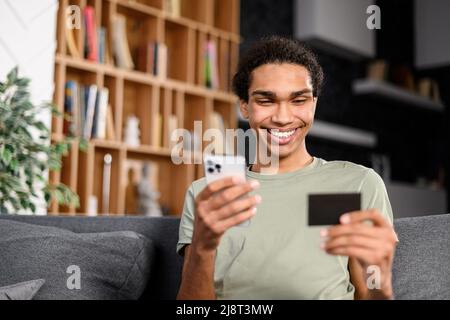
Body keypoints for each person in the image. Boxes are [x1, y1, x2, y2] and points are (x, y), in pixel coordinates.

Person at [176, 36, 397, 300]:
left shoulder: (358, 183)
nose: (282, 118)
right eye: (266, 100)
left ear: (314, 103)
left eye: (298, 100)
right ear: (245, 106)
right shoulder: (208, 194)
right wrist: (202, 248)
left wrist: (381, 285)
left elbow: (370, 293)